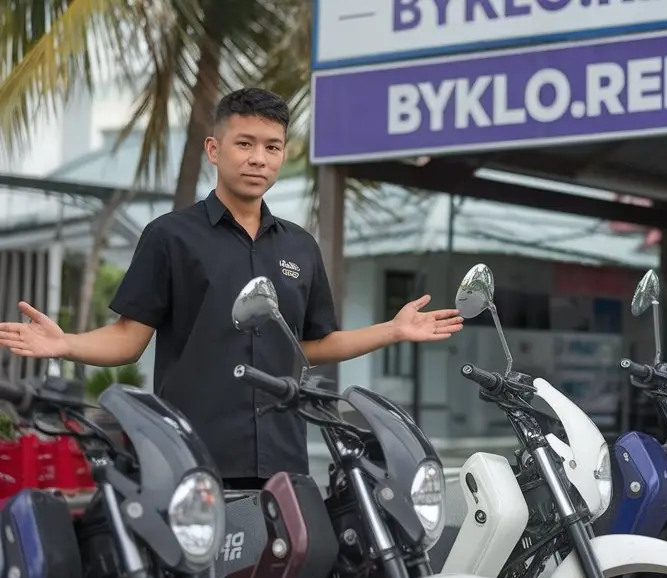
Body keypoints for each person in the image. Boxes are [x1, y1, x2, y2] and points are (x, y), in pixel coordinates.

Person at [0, 87, 463, 491]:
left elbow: (310, 346)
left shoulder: (300, 246)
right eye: (244, 143)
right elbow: (128, 339)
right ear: (214, 149)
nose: (259, 158)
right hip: (191, 458)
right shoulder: (170, 236)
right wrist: (65, 343)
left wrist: (394, 330)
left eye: (272, 146)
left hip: (284, 460)